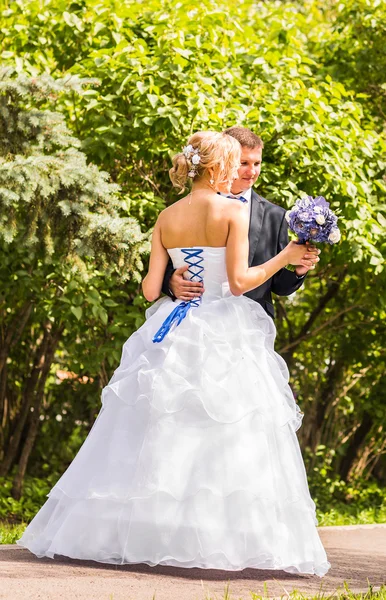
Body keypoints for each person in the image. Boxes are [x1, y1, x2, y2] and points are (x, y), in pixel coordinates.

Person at [17, 130, 331, 577]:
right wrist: (287, 256)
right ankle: (214, 539)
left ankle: (140, 533)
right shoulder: (230, 213)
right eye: (236, 165)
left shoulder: (166, 216)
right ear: (220, 167)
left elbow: (149, 290)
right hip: (226, 328)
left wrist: (174, 279)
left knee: (156, 426)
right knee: (224, 433)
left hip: (175, 324)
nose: (243, 172)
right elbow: (240, 283)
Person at [162, 126, 320, 319]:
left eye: (257, 163)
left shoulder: (275, 216)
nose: (251, 171)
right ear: (223, 160)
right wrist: (170, 282)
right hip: (192, 319)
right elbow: (167, 262)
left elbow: (278, 285)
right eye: (243, 162)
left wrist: (299, 270)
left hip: (250, 327)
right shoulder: (185, 209)